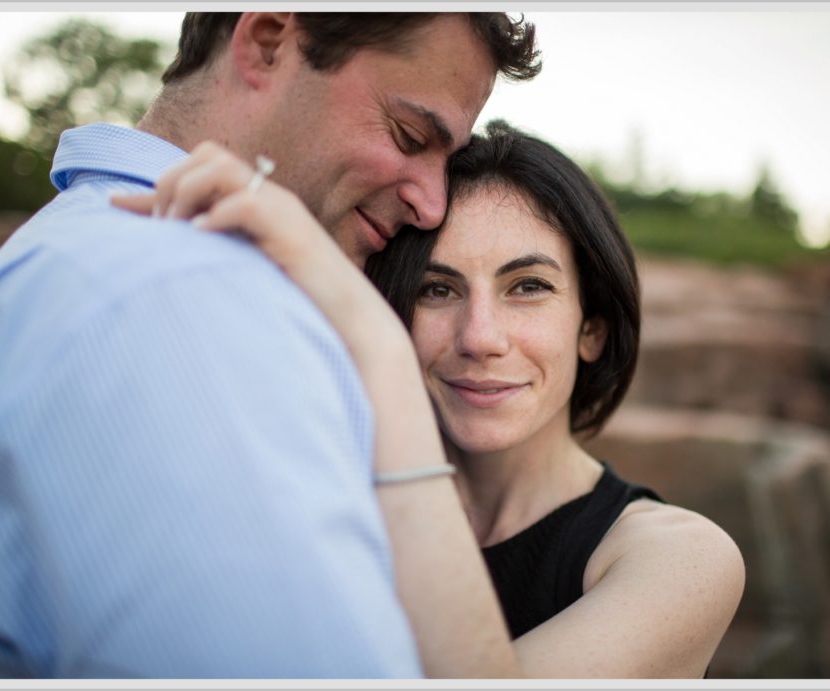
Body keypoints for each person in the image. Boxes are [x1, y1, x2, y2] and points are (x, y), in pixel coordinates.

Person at [0, 13, 540, 678]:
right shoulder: (190, 298)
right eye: (409, 135)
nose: (431, 204)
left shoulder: (73, 242)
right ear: (268, 41)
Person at [118, 120, 746, 678]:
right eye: (436, 290)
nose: (480, 338)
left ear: (592, 328)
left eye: (528, 286)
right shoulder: (332, 513)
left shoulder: (679, 559)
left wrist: (376, 347)